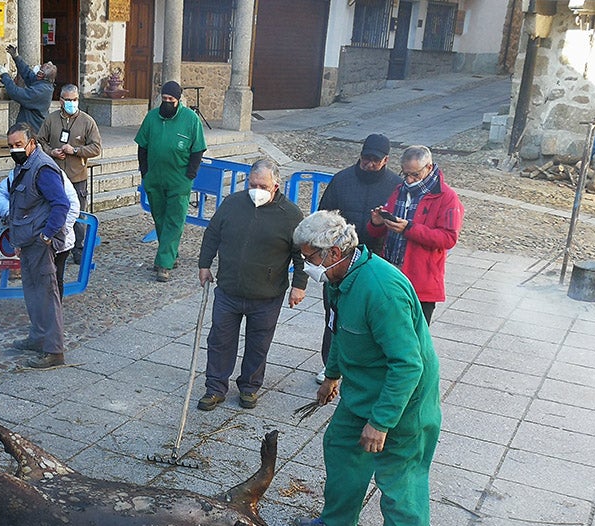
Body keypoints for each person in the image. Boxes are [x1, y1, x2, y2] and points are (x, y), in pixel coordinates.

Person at [290, 211, 440, 526]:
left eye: (310, 258)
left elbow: (408, 365)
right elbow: (341, 331)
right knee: (340, 445)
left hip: (403, 401)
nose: (306, 265)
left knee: (399, 476)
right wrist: (332, 374)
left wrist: (382, 422)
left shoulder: (381, 289)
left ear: (336, 250)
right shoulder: (338, 279)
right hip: (362, 390)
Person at [196, 158, 305, 411]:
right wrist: (204, 264)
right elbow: (212, 233)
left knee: (259, 343)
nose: (257, 189)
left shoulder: (290, 214)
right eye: (252, 183)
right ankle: (215, 387)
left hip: (267, 294)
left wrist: (299, 285)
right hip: (229, 289)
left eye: (263, 186)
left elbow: (301, 253)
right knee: (219, 340)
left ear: (275, 185)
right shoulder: (232, 203)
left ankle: (249, 387)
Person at [314, 133, 402, 383]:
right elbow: (323, 216)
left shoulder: (394, 186)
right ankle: (329, 363)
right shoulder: (341, 180)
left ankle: (364, 365)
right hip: (339, 258)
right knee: (333, 313)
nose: (369, 164)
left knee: (368, 315)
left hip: (375, 260)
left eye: (375, 160)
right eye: (366, 158)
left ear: (385, 160)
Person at [366, 144, 463, 324]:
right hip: (391, 275)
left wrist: (409, 229)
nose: (409, 180)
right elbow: (377, 232)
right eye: (405, 174)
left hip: (421, 281)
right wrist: (377, 222)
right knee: (386, 333)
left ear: (429, 167)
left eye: (415, 175)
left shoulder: (447, 197)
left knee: (414, 341)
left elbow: (448, 238)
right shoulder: (399, 190)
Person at [4, 122, 71, 369]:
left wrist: (46, 236)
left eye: (19, 145)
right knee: (33, 293)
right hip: (29, 242)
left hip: (41, 244)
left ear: (32, 143)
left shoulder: (43, 168)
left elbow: (61, 204)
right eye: (10, 146)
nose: (14, 150)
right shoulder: (25, 165)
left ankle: (55, 351)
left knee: (47, 294)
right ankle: (38, 337)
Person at [135, 80, 207, 282]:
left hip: (179, 180)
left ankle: (163, 264)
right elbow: (143, 146)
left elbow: (198, 150)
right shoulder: (151, 117)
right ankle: (171, 255)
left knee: (174, 221)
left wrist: (189, 176)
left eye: (171, 99)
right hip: (155, 178)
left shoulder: (191, 119)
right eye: (164, 99)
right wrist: (145, 172)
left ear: (178, 100)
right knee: (160, 218)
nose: (167, 102)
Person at [0, 161, 80, 299]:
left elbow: (70, 206)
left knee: (54, 280)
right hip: (32, 239)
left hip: (54, 240)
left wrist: (53, 235)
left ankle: (52, 315)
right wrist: (14, 216)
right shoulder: (19, 173)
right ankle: (42, 313)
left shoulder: (52, 173)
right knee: (37, 281)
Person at [36, 83, 102, 264]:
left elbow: (96, 148)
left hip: (76, 176)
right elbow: (40, 141)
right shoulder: (51, 119)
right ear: (61, 101)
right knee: (52, 211)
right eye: (68, 100)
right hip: (54, 176)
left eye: (75, 100)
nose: (72, 103)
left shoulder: (87, 121)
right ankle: (54, 245)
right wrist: (51, 152)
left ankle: (78, 250)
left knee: (78, 215)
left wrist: (76, 150)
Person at [0, 45, 56, 132]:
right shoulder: (41, 83)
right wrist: (16, 57)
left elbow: (15, 93)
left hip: (33, 129)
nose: (37, 69)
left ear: (41, 75)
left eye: (40, 69)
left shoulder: (41, 90)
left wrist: (5, 75)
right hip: (30, 125)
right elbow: (27, 73)